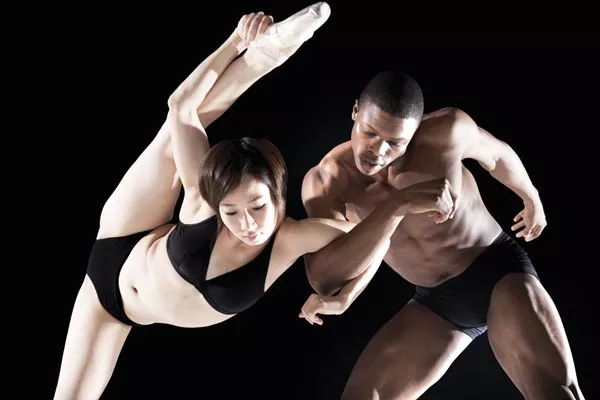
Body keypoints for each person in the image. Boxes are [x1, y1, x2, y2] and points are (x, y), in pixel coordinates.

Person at [53, 4, 424, 399]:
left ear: (278, 197)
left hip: (121, 310)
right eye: (230, 212)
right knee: (172, 138)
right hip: (121, 244)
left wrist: (346, 297)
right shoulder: (203, 201)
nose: (247, 224)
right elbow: (180, 107)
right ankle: (264, 53)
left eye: (258, 208)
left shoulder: (291, 239)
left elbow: (374, 239)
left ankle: (265, 53)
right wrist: (235, 41)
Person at [300, 70, 585, 399]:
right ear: (355, 112)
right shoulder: (328, 182)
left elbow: (497, 155)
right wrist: (397, 205)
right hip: (438, 301)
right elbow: (324, 278)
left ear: (414, 133)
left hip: (496, 270)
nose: (378, 150)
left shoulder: (447, 131)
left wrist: (531, 197)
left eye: (395, 143)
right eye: (370, 133)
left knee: (556, 392)